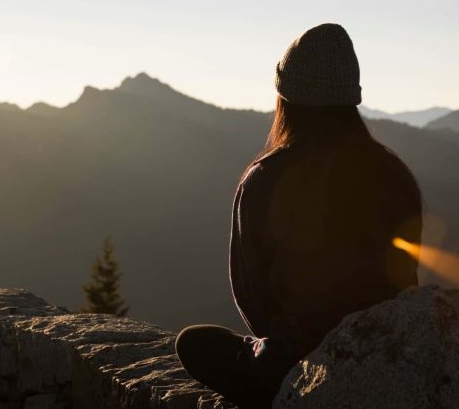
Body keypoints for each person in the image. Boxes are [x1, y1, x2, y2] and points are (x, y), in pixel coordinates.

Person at [175, 23, 423, 408]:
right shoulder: (394, 175)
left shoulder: (265, 178)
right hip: (384, 354)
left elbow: (252, 295)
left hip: (298, 365)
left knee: (195, 343)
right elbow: (406, 279)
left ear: (286, 98)